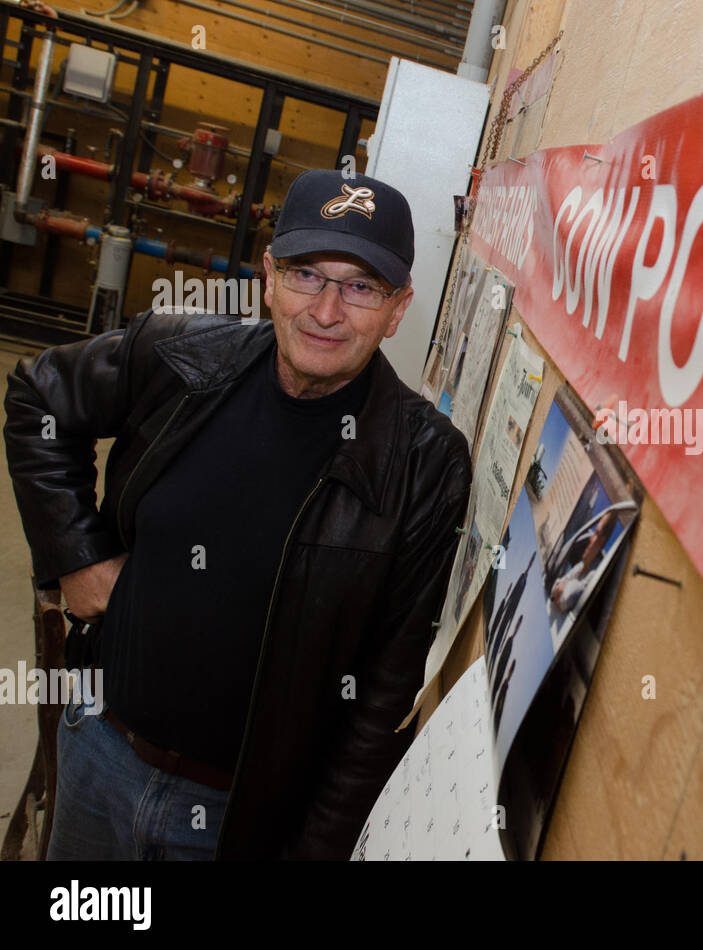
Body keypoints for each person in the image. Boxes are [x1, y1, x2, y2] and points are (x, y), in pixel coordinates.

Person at [3, 169, 471, 860]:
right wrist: (78, 556)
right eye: (307, 275)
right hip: (100, 757)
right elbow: (37, 396)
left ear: (398, 308)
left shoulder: (425, 463)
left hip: (238, 821)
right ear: (268, 275)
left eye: (361, 287)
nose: (327, 310)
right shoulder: (180, 356)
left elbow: (380, 699)